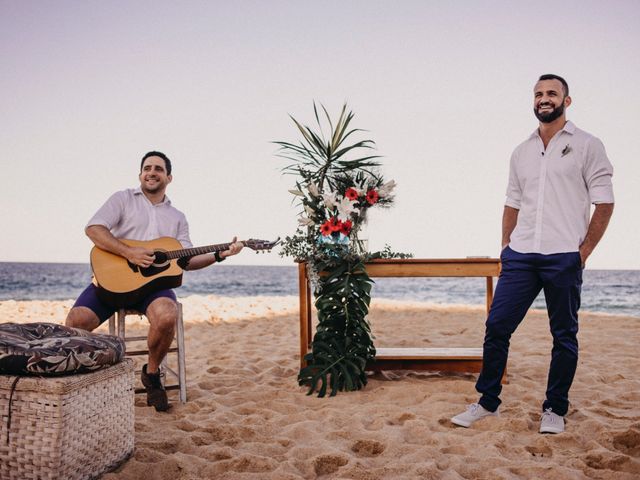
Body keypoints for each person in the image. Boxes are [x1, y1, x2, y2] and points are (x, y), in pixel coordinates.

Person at [451, 74, 614, 433]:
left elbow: (605, 202)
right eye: (539, 94)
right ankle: (487, 402)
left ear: (566, 101)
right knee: (496, 327)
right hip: (521, 256)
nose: (544, 98)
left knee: (564, 335)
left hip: (563, 257)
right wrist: (506, 247)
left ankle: (554, 409)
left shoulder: (588, 145)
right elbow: (511, 201)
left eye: (552, 93)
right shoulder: (521, 151)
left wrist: (582, 252)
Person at [66, 151, 244, 411]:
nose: (152, 172)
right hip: (113, 283)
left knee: (167, 315)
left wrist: (220, 254)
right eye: (147, 168)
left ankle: (151, 374)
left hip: (154, 289)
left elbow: (187, 261)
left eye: (158, 169)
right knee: (75, 323)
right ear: (140, 174)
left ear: (168, 177)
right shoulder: (122, 199)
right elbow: (94, 229)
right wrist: (129, 253)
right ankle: (75, 381)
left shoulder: (177, 217)